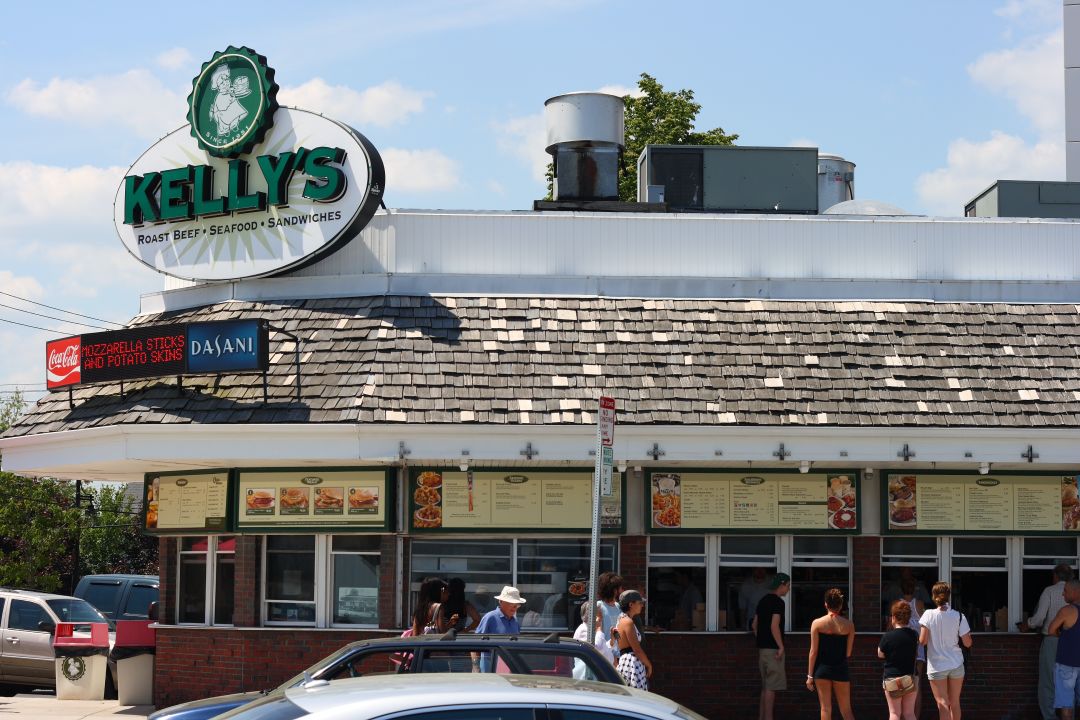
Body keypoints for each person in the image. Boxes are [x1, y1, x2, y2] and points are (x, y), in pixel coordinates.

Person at [1021, 563, 1074, 720]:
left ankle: (1050, 717)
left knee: (1047, 683)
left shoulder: (1049, 591)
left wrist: (1027, 624)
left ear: (1055, 576)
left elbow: (1038, 619)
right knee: (1068, 683)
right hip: (1071, 642)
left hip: (1052, 641)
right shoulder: (1075, 594)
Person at [919, 581, 972, 720]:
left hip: (937, 666)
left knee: (942, 703)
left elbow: (923, 641)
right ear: (948, 596)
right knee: (954, 702)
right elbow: (967, 643)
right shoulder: (959, 616)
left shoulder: (928, 615)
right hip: (956, 663)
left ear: (933, 596)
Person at [806, 588, 856, 720]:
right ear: (840, 605)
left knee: (825, 708)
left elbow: (813, 652)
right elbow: (848, 653)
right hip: (840, 668)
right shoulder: (849, 625)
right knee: (846, 709)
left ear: (826, 604)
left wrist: (810, 676)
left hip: (822, 669)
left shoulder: (817, 624)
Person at [752, 572, 790, 720]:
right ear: (781, 586)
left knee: (765, 688)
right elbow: (775, 626)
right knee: (771, 688)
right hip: (774, 651)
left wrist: (763, 639)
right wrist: (781, 647)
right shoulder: (778, 603)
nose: (788, 589)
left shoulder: (763, 601)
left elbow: (755, 625)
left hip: (762, 650)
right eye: (787, 586)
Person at [879, 599, 920, 720]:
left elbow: (880, 654)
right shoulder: (914, 635)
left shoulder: (887, 636)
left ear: (894, 617)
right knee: (909, 713)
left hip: (892, 678)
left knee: (894, 713)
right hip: (911, 677)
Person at [475, 585, 527, 672]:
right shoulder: (490, 618)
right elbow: (475, 643)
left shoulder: (515, 622)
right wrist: (475, 666)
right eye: (511, 603)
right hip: (489, 669)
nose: (514, 607)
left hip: (510, 669)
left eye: (517, 605)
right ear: (501, 602)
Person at [1049, 579, 1080, 720]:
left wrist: (1061, 635)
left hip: (1067, 664)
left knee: (1066, 706)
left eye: (1066, 591)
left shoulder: (1067, 611)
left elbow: (1051, 630)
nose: (1063, 594)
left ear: (1076, 592)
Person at [896, 576, 927, 718]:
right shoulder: (919, 604)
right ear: (914, 589)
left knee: (902, 686)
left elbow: (890, 627)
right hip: (918, 651)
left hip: (901, 651)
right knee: (917, 686)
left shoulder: (897, 605)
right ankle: (916, 717)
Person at [614, 589, 652, 689]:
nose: (642, 606)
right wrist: (648, 664)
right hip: (632, 663)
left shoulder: (621, 619)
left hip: (625, 660)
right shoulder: (628, 622)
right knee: (637, 699)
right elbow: (637, 649)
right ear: (631, 604)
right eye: (639, 603)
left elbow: (617, 640)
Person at [573, 602, 616, 678]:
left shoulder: (592, 629)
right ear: (592, 616)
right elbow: (596, 649)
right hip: (587, 676)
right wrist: (599, 629)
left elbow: (603, 647)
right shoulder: (583, 630)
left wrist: (612, 641)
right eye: (599, 614)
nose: (601, 616)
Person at [596, 571, 624, 640]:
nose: (622, 590)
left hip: (617, 649)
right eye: (620, 587)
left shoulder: (618, 606)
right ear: (614, 590)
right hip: (603, 649)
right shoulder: (598, 606)